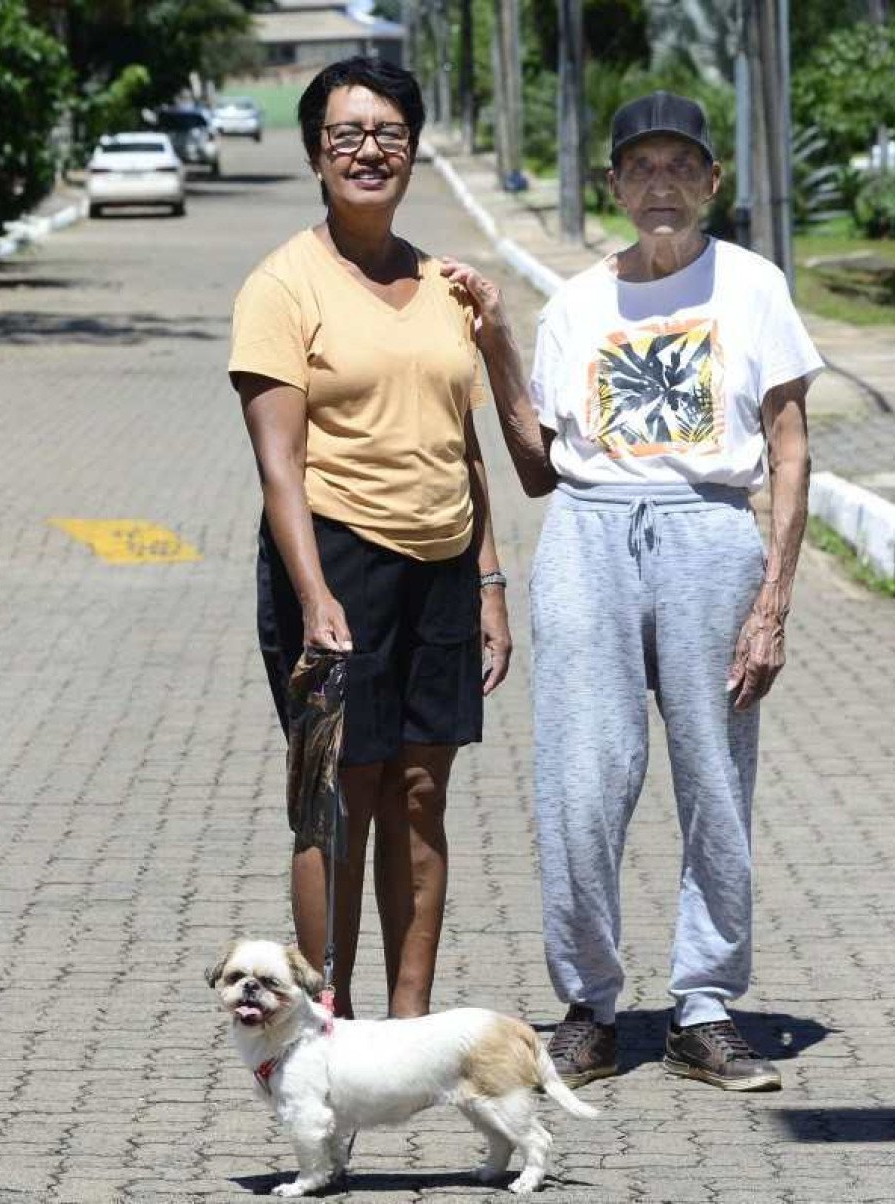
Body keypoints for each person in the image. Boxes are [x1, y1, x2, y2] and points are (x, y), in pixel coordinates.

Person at [446, 90, 821, 1090]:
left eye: (680, 166)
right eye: (640, 167)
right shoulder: (577, 304)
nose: (661, 184)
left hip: (708, 530)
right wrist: (494, 343)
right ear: (614, 184)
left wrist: (773, 603)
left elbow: (789, 448)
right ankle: (591, 1008)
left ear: (712, 180)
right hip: (590, 533)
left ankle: (704, 1007)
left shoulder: (752, 287)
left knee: (714, 778)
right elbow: (539, 467)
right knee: (579, 777)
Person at [228, 56, 513, 1021]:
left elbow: (462, 444)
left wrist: (491, 584)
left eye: (388, 134)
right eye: (346, 134)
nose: (368, 151)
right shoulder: (282, 285)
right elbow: (279, 468)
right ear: (316, 153)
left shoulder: (442, 284)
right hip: (338, 564)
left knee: (421, 796)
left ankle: (410, 1028)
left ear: (414, 151)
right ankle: (327, 1025)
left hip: (441, 571)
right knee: (337, 800)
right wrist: (315, 599)